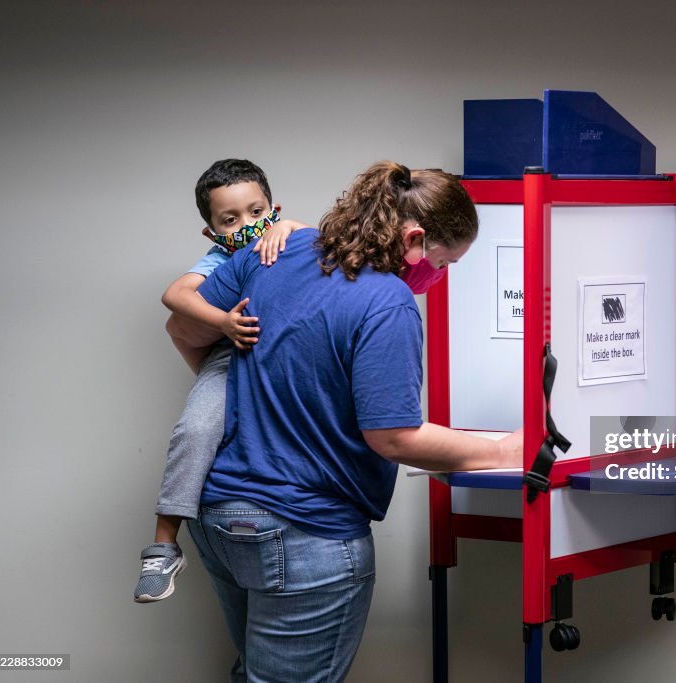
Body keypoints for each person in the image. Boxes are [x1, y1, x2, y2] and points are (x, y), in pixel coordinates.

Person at [182, 161, 522, 682]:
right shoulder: (388, 302)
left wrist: (242, 397)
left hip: (221, 517)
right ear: (413, 238)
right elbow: (393, 436)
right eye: (444, 260)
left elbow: (183, 327)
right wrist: (504, 451)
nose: (441, 273)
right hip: (303, 531)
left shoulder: (278, 248)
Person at [134, 158, 308, 603]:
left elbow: (312, 239)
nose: (248, 225)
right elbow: (173, 296)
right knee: (195, 430)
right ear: (213, 233)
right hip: (230, 356)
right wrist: (225, 323)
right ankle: (164, 545)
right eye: (230, 220)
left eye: (257, 212)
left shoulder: (290, 235)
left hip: (285, 360)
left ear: (273, 209)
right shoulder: (216, 259)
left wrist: (287, 225)